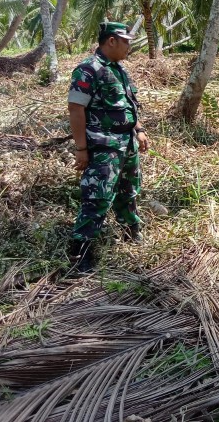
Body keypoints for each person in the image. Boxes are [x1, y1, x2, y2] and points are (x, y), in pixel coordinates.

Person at [68, 22, 149, 273]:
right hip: (104, 145)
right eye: (125, 41)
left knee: (128, 191)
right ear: (111, 41)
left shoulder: (119, 70)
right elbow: (76, 108)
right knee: (98, 197)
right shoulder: (88, 69)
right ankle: (80, 251)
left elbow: (130, 105)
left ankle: (130, 232)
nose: (129, 46)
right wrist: (81, 149)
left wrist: (139, 129)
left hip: (127, 144)